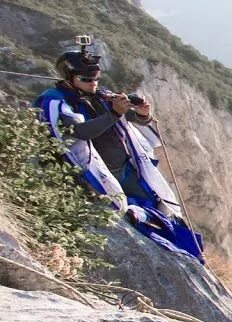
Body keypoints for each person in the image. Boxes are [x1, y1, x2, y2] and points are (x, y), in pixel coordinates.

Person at [33, 37, 203, 261]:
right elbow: (80, 132)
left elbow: (131, 117)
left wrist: (143, 114)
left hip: (124, 166)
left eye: (96, 78)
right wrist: (113, 113)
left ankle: (177, 241)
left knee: (156, 202)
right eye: (86, 79)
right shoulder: (55, 101)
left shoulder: (100, 96)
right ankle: (141, 219)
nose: (93, 83)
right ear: (69, 77)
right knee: (128, 205)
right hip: (94, 171)